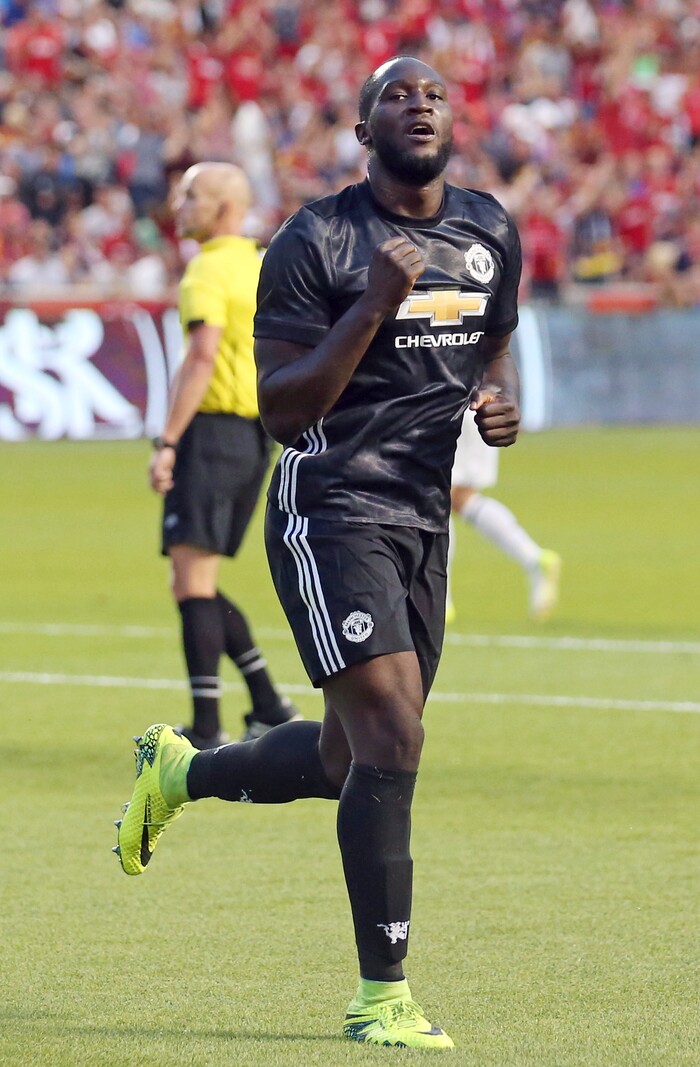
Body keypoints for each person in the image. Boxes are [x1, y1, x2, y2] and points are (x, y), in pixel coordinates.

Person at [115, 57, 523, 1049]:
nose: (417, 105)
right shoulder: (316, 238)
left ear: (451, 123)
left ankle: (182, 771)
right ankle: (381, 992)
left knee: (350, 756)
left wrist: (496, 402)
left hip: (422, 514)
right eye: (396, 95)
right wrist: (373, 303)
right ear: (360, 127)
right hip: (330, 501)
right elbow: (284, 406)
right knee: (393, 737)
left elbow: (494, 330)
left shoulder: (488, 228)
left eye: (432, 95)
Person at [148, 161, 299, 747]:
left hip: (211, 433)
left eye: (192, 195)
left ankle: (207, 724)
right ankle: (267, 703)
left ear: (225, 207)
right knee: (196, 580)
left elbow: (201, 357)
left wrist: (167, 441)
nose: (179, 204)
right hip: (255, 435)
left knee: (191, 582)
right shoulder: (265, 265)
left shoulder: (204, 272)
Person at [447, 408, 561, 623]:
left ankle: (441, 598)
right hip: (481, 407)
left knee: (440, 498)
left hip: (454, 407)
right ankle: (534, 559)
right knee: (460, 498)